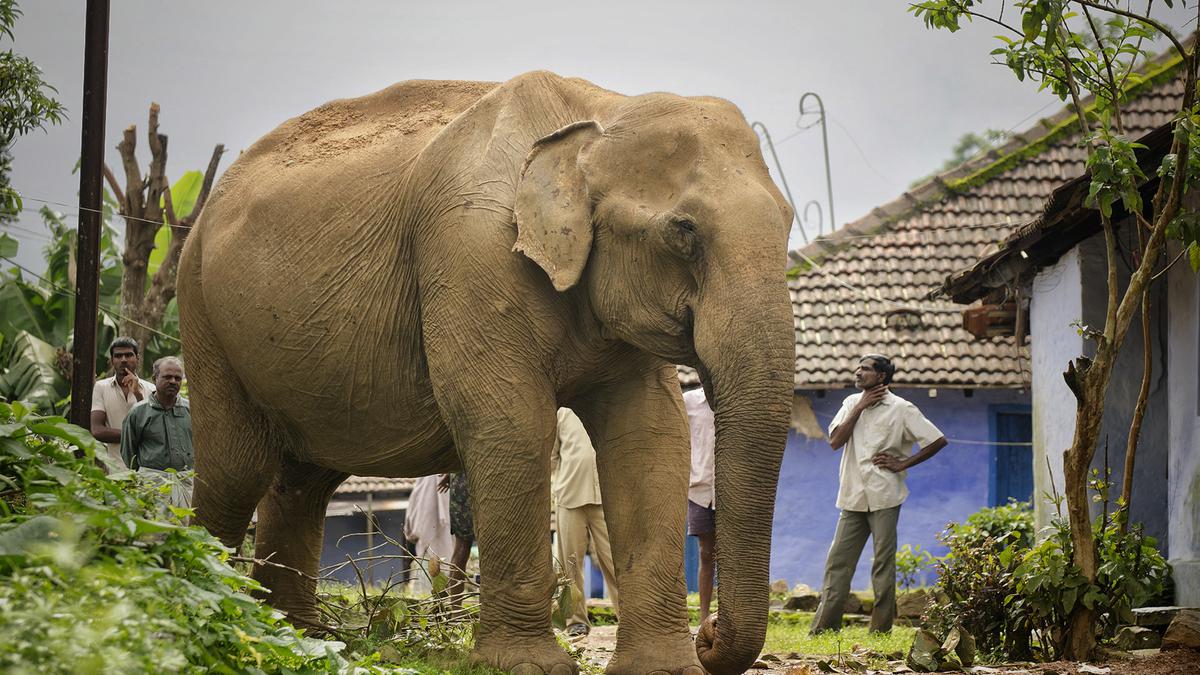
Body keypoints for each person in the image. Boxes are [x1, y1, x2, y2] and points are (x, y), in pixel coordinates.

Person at [809, 354, 948, 634]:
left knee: (883, 564)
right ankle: (823, 628)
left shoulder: (902, 409)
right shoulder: (850, 403)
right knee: (838, 562)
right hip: (852, 496)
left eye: (866, 369)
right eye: (857, 366)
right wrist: (860, 406)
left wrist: (902, 464)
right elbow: (835, 441)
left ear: (882, 377)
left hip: (885, 495)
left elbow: (937, 440)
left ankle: (880, 630)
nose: (858, 372)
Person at [551, 407, 618, 638]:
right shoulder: (561, 413)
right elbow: (552, 456)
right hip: (569, 496)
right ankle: (575, 621)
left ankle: (629, 618)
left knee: (614, 561)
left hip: (606, 497)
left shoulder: (604, 406)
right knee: (569, 565)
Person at [121, 356, 194, 508]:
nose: (173, 381)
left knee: (187, 528)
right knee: (155, 530)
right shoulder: (138, 412)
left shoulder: (191, 410)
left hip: (186, 484)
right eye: (167, 377)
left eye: (177, 378)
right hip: (151, 485)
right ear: (155, 379)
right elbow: (129, 453)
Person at [90, 337, 155, 465]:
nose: (123, 360)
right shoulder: (101, 387)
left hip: (146, 469)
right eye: (118, 356)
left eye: (129, 355)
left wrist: (138, 394)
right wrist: (136, 436)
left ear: (137, 358)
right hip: (115, 469)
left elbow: (153, 429)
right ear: (112, 361)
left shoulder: (151, 389)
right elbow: (97, 430)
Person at [683, 386, 717, 625]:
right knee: (706, 553)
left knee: (729, 555)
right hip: (699, 487)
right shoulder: (689, 401)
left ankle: (727, 613)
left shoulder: (733, 399)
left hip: (730, 489)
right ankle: (704, 616)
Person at [403, 473, 454, 593]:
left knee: (444, 567)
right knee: (428, 571)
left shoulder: (441, 478)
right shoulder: (425, 479)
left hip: (443, 533)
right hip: (427, 538)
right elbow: (420, 509)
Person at [437, 471, 475, 609]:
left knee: (461, 548)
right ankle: (456, 610)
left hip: (461, 481)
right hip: (468, 484)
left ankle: (455, 610)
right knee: (462, 548)